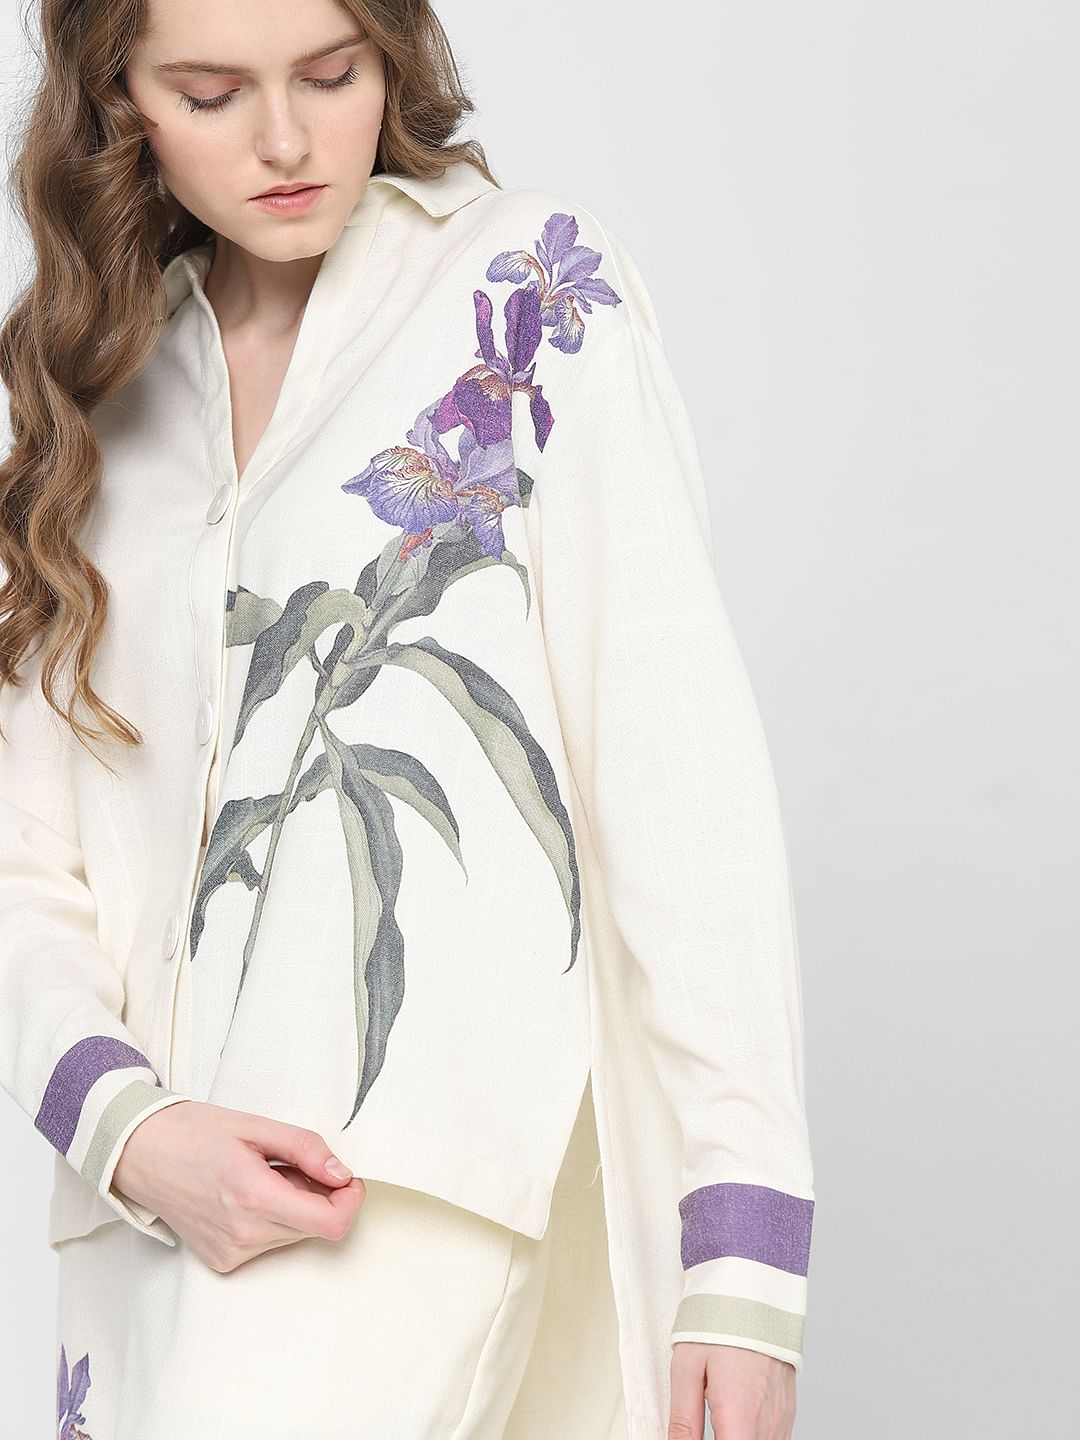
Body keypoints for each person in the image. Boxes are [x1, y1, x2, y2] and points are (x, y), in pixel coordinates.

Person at [0, 1, 817, 1437]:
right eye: (211, 93)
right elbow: (23, 856)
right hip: (138, 1218)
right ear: (118, 100)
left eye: (332, 75)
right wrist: (124, 1130)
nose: (286, 139)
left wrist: (744, 1259)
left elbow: (681, 781)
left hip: (401, 1170)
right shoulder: (92, 395)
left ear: (393, 58)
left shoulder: (529, 295)